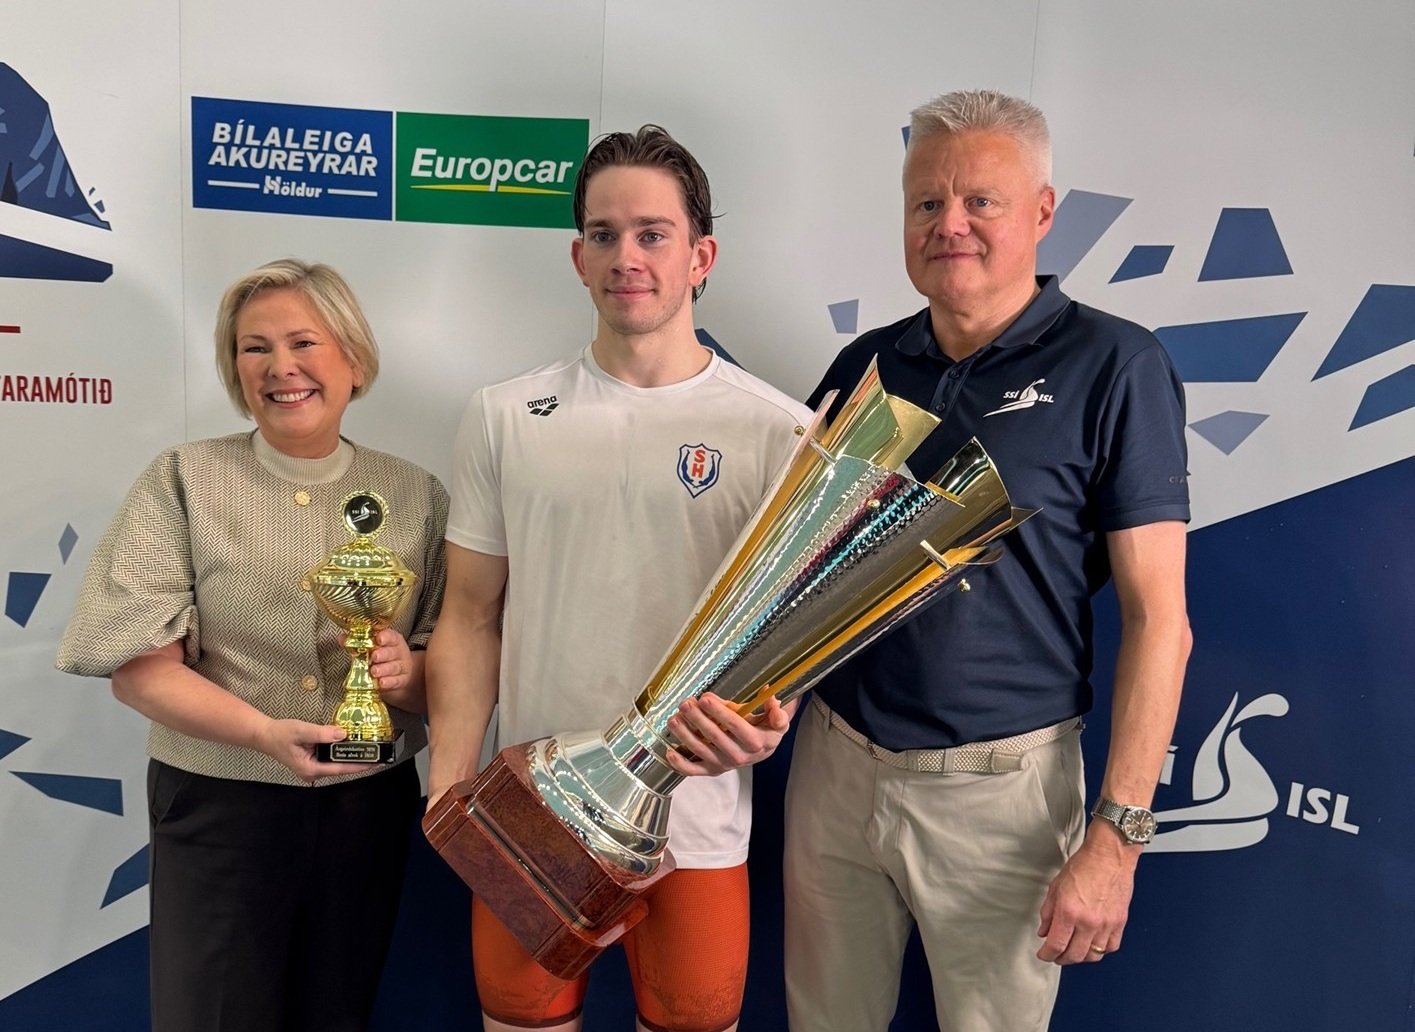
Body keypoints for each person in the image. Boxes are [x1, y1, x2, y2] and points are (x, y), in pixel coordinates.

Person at [783, 89, 1193, 1032]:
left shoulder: (1114, 365)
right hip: (836, 770)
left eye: (980, 201)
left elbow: (1158, 621)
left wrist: (1118, 839)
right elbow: (795, 576)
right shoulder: (864, 366)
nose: (949, 224)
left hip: (1000, 791)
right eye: (926, 203)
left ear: (1041, 212)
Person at [425, 125, 810, 1032]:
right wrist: (448, 790)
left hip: (695, 822)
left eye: (652, 234)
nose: (625, 257)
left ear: (699, 256)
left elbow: (788, 637)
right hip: (531, 814)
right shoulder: (504, 415)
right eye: (603, 234)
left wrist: (770, 719)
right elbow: (470, 618)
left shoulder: (781, 432)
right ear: (577, 257)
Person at [56, 259, 448, 1032]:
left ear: (353, 358)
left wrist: (408, 675)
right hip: (218, 803)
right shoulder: (184, 478)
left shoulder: (416, 494)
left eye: (304, 342)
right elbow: (137, 672)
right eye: (254, 348)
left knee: (335, 1015)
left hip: (366, 807)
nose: (280, 367)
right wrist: (264, 735)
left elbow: (455, 662)